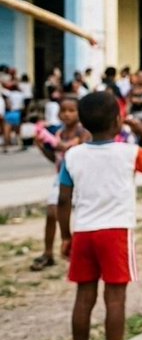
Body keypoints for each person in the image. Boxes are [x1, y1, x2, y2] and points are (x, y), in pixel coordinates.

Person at [58, 91, 142, 340]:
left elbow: (63, 200)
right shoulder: (128, 152)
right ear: (119, 120)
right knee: (115, 299)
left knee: (84, 298)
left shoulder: (73, 155)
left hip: (83, 233)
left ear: (82, 122)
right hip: (116, 233)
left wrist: (65, 236)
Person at [32, 96, 89, 271]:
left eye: (71, 110)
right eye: (63, 111)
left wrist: (51, 142)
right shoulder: (59, 133)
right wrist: (43, 148)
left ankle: (80, 252)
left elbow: (67, 148)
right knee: (51, 212)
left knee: (83, 218)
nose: (67, 114)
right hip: (62, 179)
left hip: (81, 180)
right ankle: (48, 252)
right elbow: (56, 158)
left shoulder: (82, 133)